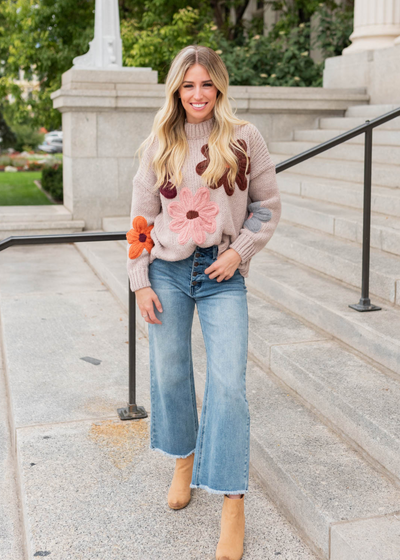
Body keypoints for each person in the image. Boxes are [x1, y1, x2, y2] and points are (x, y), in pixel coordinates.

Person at [126, 44, 281, 560]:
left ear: (220, 86)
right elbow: (141, 222)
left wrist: (239, 253)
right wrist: (140, 279)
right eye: (188, 85)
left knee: (228, 384)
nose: (198, 94)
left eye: (206, 84)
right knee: (170, 373)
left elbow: (268, 207)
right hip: (167, 272)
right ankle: (184, 458)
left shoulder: (244, 138)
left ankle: (232, 501)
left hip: (221, 273)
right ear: (176, 90)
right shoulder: (157, 144)